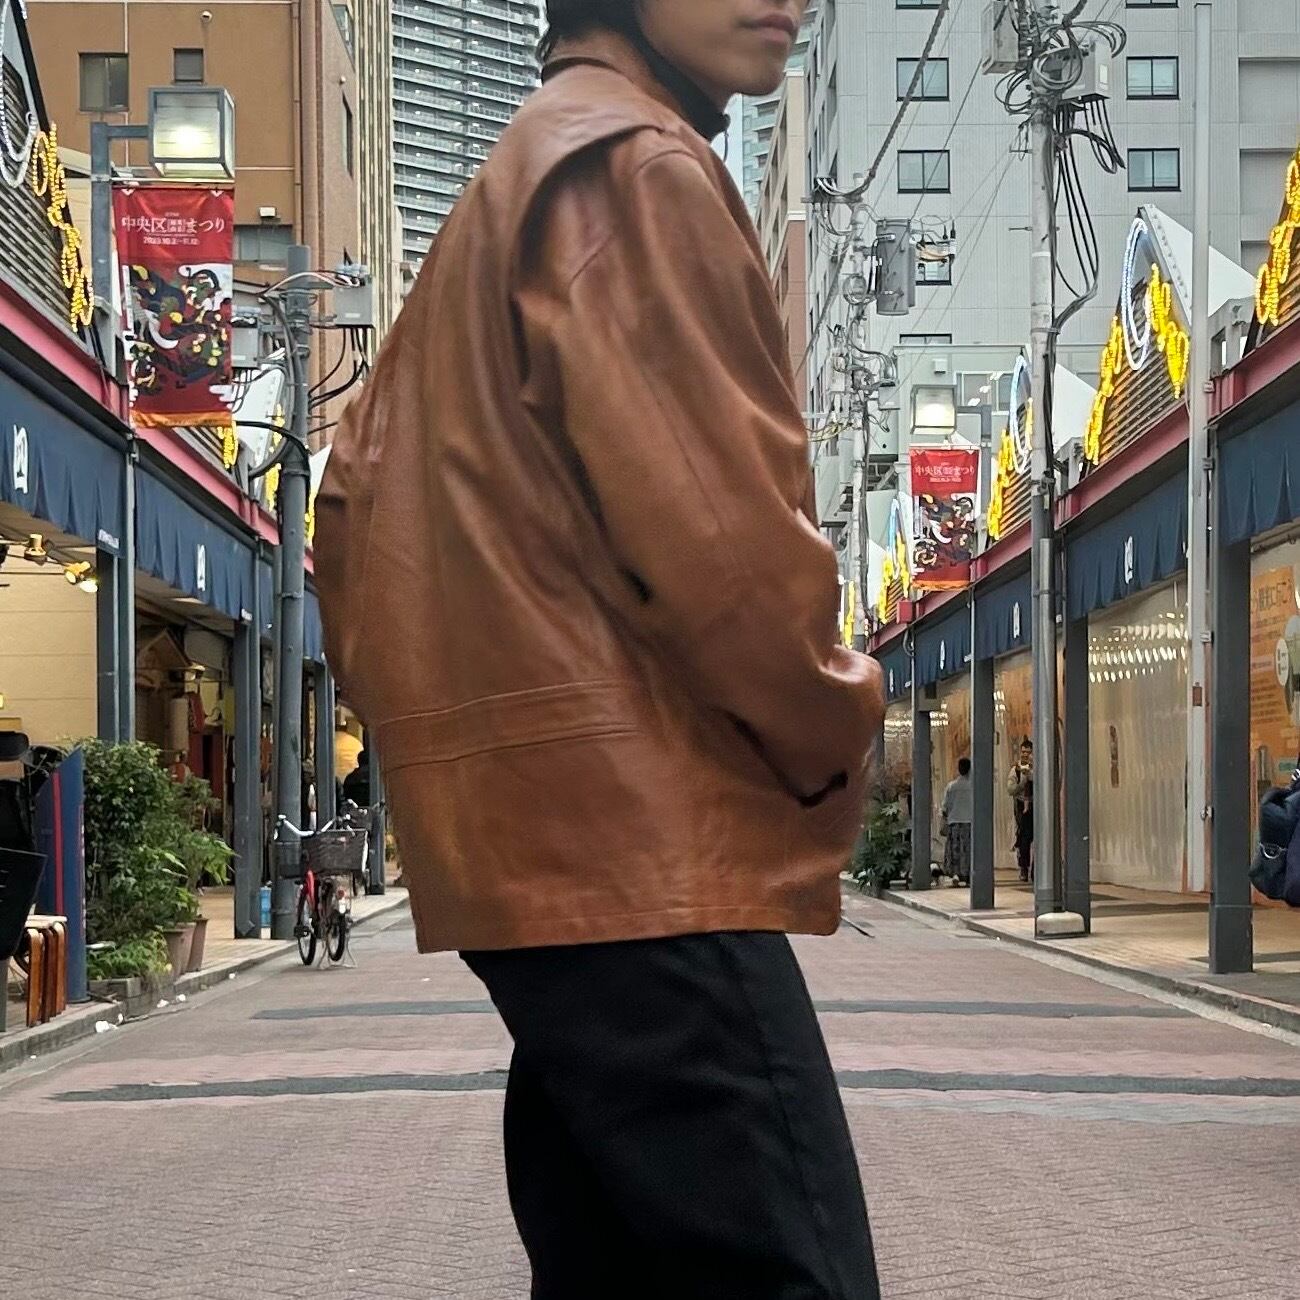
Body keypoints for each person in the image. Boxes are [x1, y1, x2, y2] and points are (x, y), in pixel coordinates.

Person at [314, 2, 885, 1294]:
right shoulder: (635, 164)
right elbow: (731, 553)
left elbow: (343, 518)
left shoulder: (517, 173)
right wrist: (838, 722)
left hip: (535, 865)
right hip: (648, 851)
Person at [940, 756, 973, 886]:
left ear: (959, 769)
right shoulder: (973, 787)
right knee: (967, 850)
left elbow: (945, 806)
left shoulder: (951, 786)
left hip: (954, 822)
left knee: (955, 850)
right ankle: (968, 874)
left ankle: (956, 874)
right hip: (969, 823)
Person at [1008, 738, 1034, 883]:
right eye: (1023, 752)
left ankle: (1036, 870)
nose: (1025, 755)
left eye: (1028, 752)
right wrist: (1021, 783)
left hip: (1036, 806)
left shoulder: (1038, 768)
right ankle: (1024, 868)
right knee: (1024, 840)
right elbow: (1010, 789)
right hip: (1022, 809)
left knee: (1039, 840)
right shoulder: (1015, 770)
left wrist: (1031, 775)